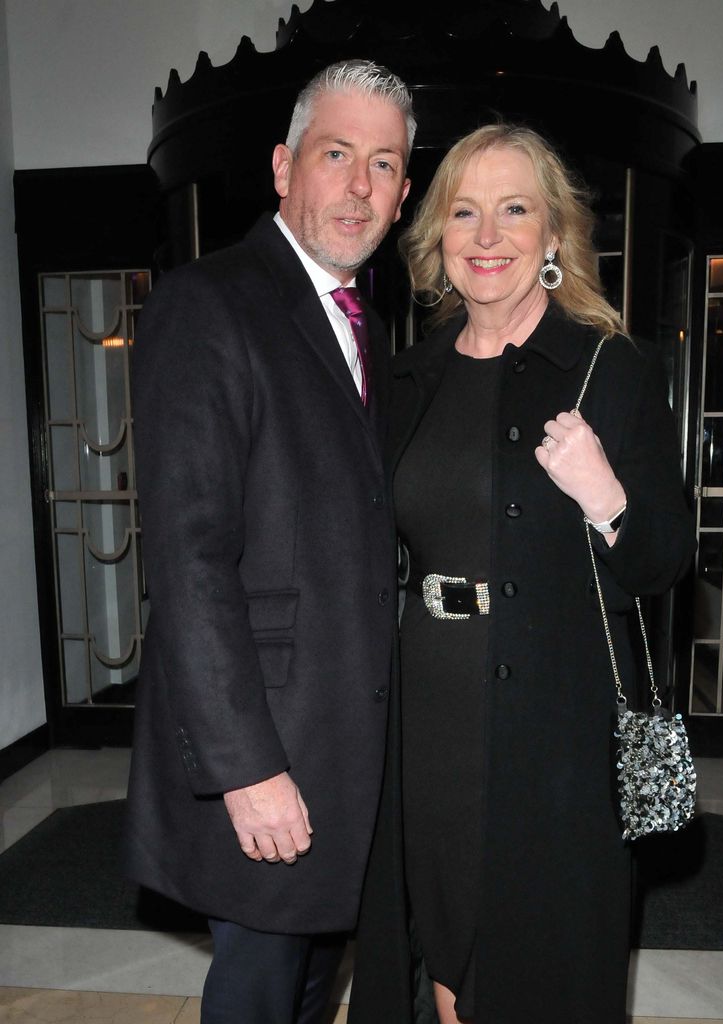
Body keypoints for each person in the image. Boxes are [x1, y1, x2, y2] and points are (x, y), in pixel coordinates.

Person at [348, 124, 696, 1024]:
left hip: (554, 734)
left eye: (514, 211)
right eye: (464, 212)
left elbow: (664, 561)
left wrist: (606, 494)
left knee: (536, 964)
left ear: (553, 237)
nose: (487, 235)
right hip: (421, 717)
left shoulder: (609, 369)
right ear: (437, 239)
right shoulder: (405, 379)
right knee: (439, 935)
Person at [124, 60, 414, 1024]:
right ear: (286, 167)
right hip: (268, 747)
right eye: (338, 155)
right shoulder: (211, 304)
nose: (360, 187)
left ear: (405, 191)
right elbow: (188, 555)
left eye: (384, 164)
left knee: (304, 993)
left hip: (346, 739)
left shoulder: (368, 324)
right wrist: (246, 767)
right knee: (256, 997)